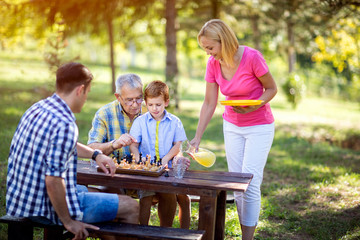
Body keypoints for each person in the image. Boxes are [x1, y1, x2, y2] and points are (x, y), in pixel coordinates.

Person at [6, 62, 139, 240]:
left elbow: (66, 144)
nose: (86, 99)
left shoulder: (39, 108)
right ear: (80, 90)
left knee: (105, 196)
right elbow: (53, 181)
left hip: (20, 199)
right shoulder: (65, 123)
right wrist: (69, 222)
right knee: (131, 206)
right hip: (43, 206)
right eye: (87, 93)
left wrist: (95, 154)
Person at [190, 19, 277, 240]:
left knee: (250, 181)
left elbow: (271, 88)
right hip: (232, 126)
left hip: (259, 126)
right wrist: (197, 138)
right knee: (237, 184)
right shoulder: (213, 64)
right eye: (205, 49)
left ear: (224, 40)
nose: (208, 53)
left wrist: (256, 103)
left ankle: (247, 239)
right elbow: (209, 102)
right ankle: (243, 233)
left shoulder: (252, 57)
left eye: (210, 47)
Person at [87, 74, 179, 227]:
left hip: (148, 174)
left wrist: (177, 156)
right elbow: (91, 149)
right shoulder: (105, 114)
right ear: (118, 96)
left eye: (139, 98)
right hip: (116, 176)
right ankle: (130, 234)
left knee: (168, 191)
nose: (136, 104)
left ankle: (164, 235)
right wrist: (114, 144)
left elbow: (174, 142)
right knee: (113, 194)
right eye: (129, 100)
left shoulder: (152, 108)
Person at [129, 80, 191, 228]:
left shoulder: (174, 122)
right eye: (150, 105)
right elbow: (133, 144)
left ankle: (166, 231)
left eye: (158, 104)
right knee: (146, 196)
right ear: (145, 103)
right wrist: (137, 158)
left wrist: (166, 158)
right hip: (147, 170)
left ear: (166, 102)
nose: (154, 108)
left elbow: (178, 144)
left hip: (167, 169)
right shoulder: (140, 122)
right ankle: (142, 231)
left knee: (171, 195)